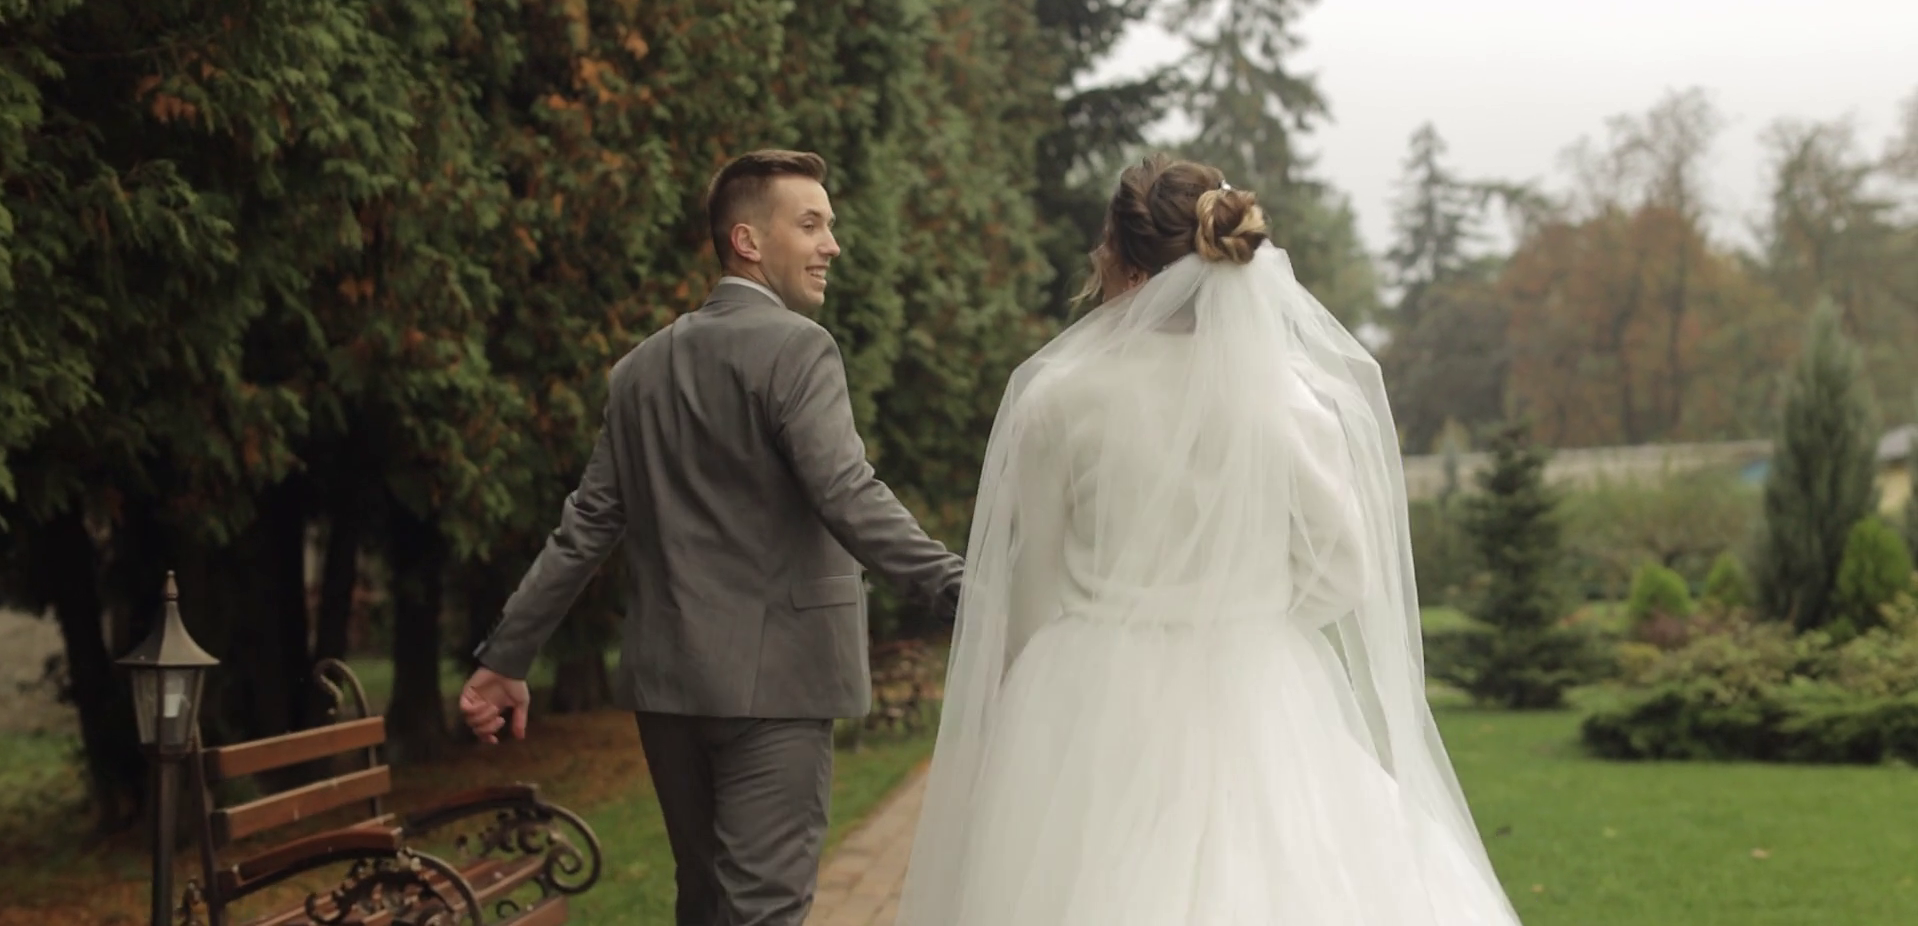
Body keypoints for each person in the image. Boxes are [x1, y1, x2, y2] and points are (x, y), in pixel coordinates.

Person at [895, 156, 1523, 925]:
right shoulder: (1286, 400)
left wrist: (1019, 698)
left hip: (1094, 694)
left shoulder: (1060, 398)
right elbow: (1343, 572)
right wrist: (1245, 609)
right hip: (1256, 685)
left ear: (1122, 261)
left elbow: (1034, 580)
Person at [458, 149, 964, 926]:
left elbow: (585, 527)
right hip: (780, 689)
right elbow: (847, 493)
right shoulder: (799, 348)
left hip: (670, 692)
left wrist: (505, 658)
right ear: (747, 241)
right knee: (763, 911)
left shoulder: (638, 370)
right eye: (811, 225)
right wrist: (962, 589)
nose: (832, 244)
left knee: (704, 904)